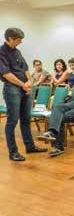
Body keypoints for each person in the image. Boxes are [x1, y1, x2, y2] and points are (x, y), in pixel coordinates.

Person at [0, 28, 47, 161]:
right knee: (12, 121)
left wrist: (30, 82)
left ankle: (30, 146)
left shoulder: (17, 51)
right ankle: (13, 152)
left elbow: (25, 69)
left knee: (26, 119)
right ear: (10, 38)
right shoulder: (1, 52)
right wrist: (23, 84)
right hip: (12, 89)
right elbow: (6, 74)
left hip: (24, 87)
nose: (20, 42)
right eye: (18, 40)